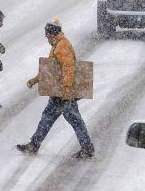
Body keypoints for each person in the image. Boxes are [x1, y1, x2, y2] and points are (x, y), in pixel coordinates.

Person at [17, 21, 94, 159]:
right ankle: (34, 145)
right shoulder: (56, 46)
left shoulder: (62, 46)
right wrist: (36, 80)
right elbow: (51, 70)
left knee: (71, 121)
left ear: (52, 34)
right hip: (58, 93)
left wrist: (66, 90)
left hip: (63, 94)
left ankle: (87, 148)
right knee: (52, 118)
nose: (46, 38)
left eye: (47, 35)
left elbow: (68, 68)